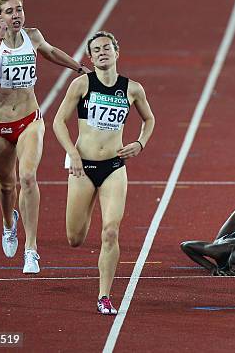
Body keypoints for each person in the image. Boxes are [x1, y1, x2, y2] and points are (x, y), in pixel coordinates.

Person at [0, 0, 90, 273]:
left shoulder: (33, 36)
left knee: (27, 177)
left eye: (19, 10)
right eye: (10, 11)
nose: (16, 15)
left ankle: (31, 250)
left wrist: (78, 68)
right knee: (6, 186)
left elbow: (51, 52)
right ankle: (8, 224)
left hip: (30, 119)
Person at [52, 31, 155, 315]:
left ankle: (104, 296)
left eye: (106, 48)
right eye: (95, 50)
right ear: (90, 56)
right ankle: (81, 230)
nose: (101, 52)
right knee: (75, 238)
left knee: (110, 232)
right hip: (82, 168)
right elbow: (59, 121)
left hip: (113, 168)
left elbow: (149, 119)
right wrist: (72, 153)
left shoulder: (132, 89)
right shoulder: (81, 84)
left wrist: (139, 143)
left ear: (116, 52)